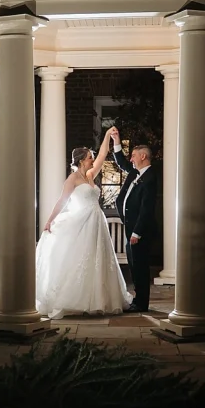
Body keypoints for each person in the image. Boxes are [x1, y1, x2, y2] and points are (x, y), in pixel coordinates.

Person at [35, 127, 132, 319]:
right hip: (82, 223)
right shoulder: (72, 179)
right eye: (89, 157)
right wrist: (49, 221)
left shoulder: (89, 176)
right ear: (81, 160)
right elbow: (62, 201)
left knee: (98, 259)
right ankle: (75, 300)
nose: (92, 160)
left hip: (97, 222)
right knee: (81, 260)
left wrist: (107, 136)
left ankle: (98, 299)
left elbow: (103, 155)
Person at [109, 128, 158, 313]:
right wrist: (116, 140)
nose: (132, 159)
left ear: (144, 156)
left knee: (140, 267)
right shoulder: (135, 172)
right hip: (130, 228)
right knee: (134, 265)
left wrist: (137, 232)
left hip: (141, 231)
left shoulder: (150, 178)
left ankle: (141, 303)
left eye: (134, 155)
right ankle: (138, 300)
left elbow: (147, 209)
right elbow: (121, 162)